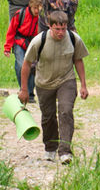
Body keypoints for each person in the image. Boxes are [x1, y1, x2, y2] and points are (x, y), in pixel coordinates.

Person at [19, 9, 89, 164]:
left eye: (63, 28)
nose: (61, 32)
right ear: (49, 26)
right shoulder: (39, 41)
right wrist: (24, 89)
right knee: (48, 116)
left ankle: (65, 151)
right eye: (57, 29)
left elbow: (78, 60)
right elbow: (26, 64)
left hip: (66, 80)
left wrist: (83, 84)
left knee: (65, 111)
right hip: (44, 83)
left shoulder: (73, 38)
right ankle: (50, 147)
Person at [4, 0, 41, 103]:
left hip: (33, 44)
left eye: (39, 9)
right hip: (19, 42)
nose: (36, 11)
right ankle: (23, 90)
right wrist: (7, 47)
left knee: (34, 67)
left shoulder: (41, 18)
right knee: (21, 65)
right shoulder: (20, 14)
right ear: (30, 5)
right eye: (35, 8)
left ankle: (30, 93)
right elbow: (11, 31)